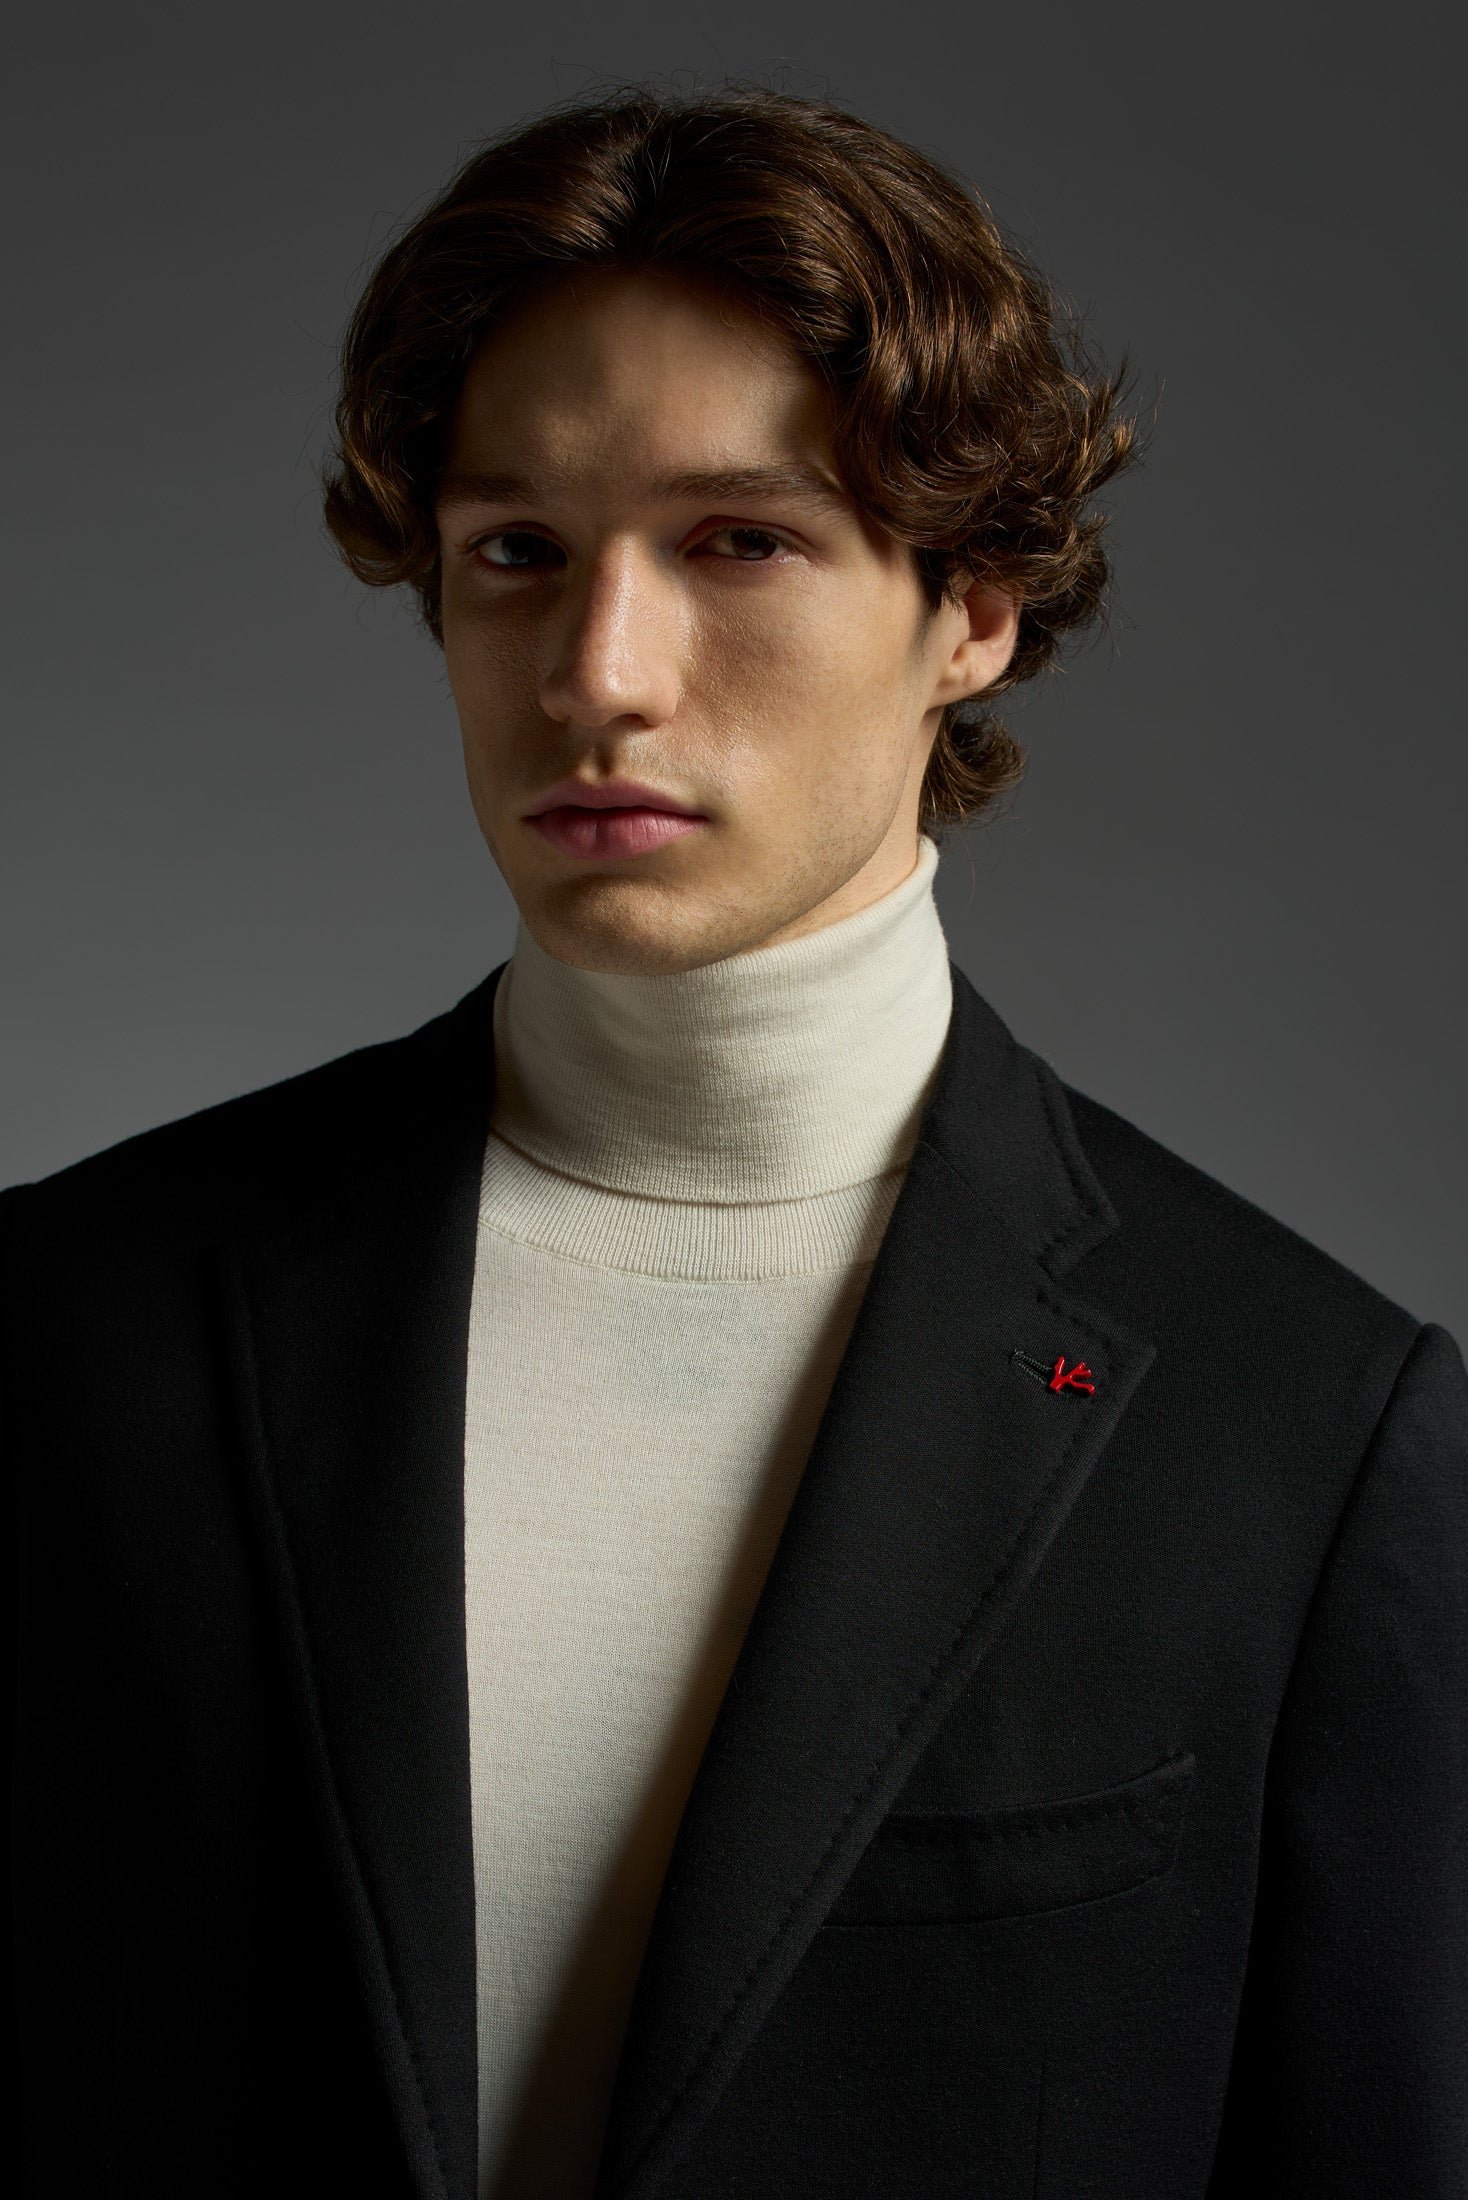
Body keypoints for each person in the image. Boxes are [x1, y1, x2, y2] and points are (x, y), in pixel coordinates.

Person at [3, 81, 1464, 2200]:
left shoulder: (1303, 1431)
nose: (598, 673)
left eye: (739, 542)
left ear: (970, 605)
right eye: (517, 552)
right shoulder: (67, 1323)